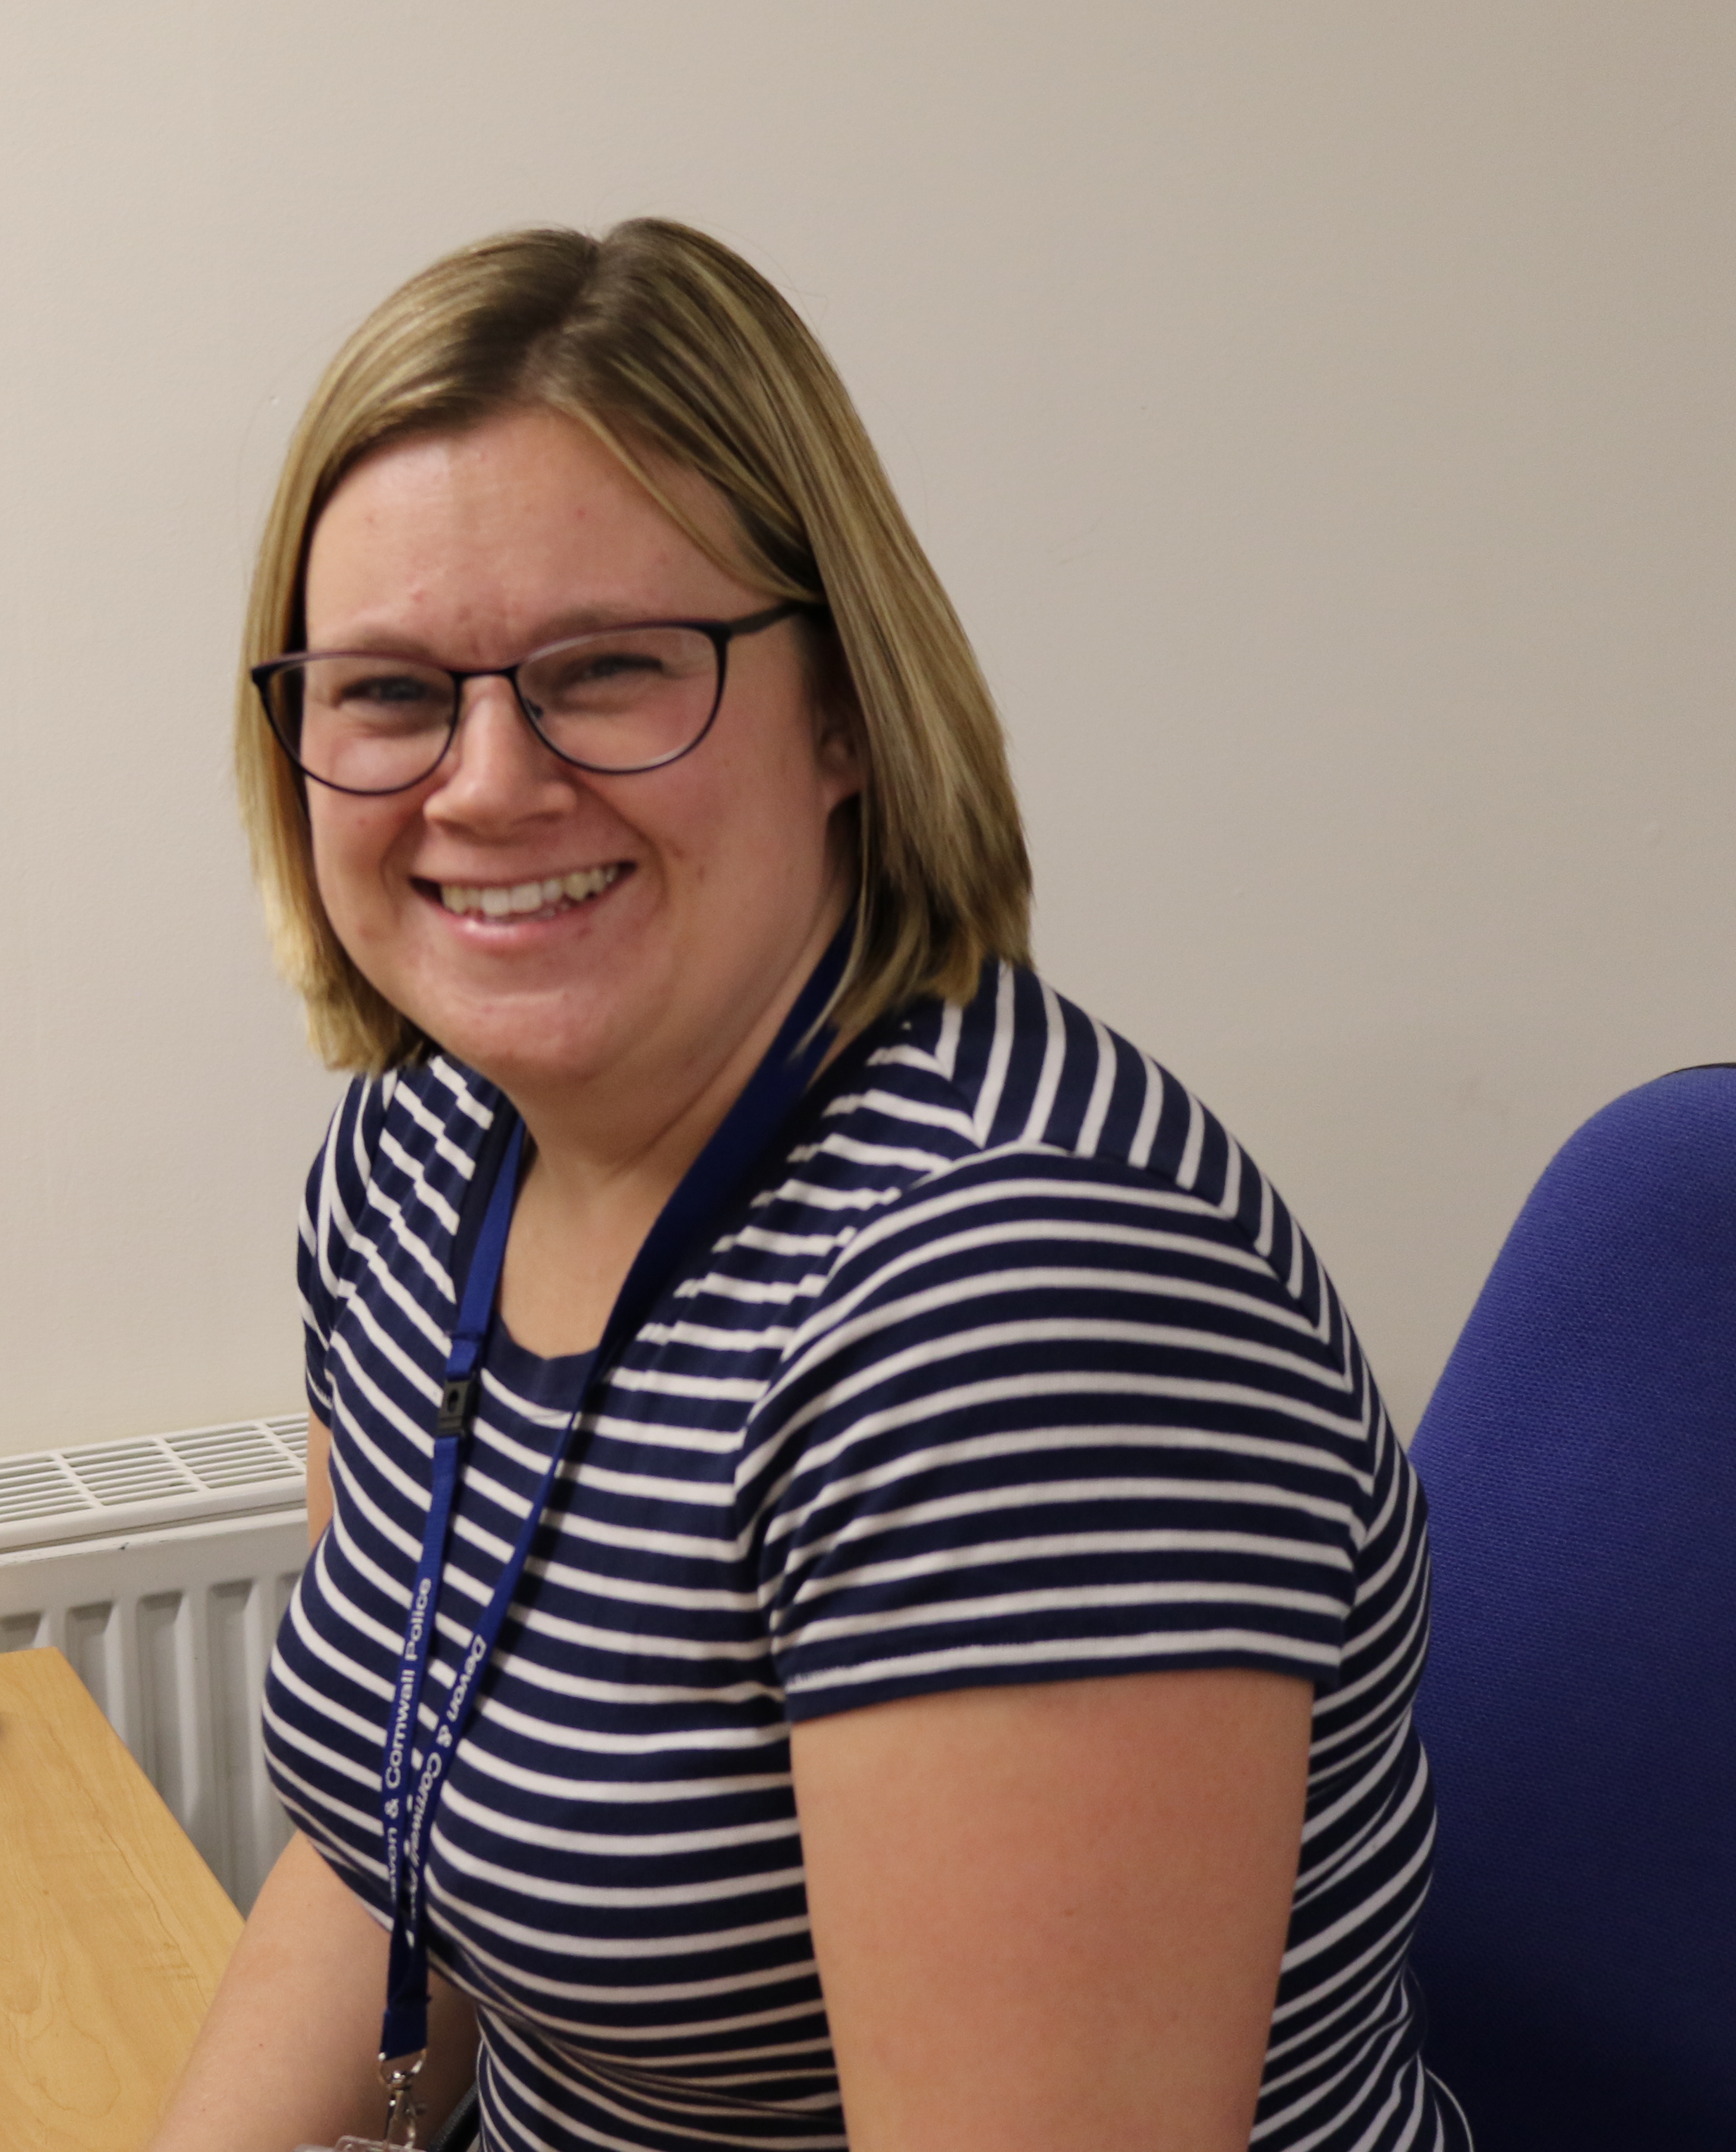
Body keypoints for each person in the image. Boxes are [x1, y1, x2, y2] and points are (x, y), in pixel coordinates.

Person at [148, 220, 1460, 2152]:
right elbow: (378, 1845)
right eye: (389, 695)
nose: (486, 784)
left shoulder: (1015, 1307)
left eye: (607, 669)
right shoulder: (420, 1156)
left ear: (842, 710)